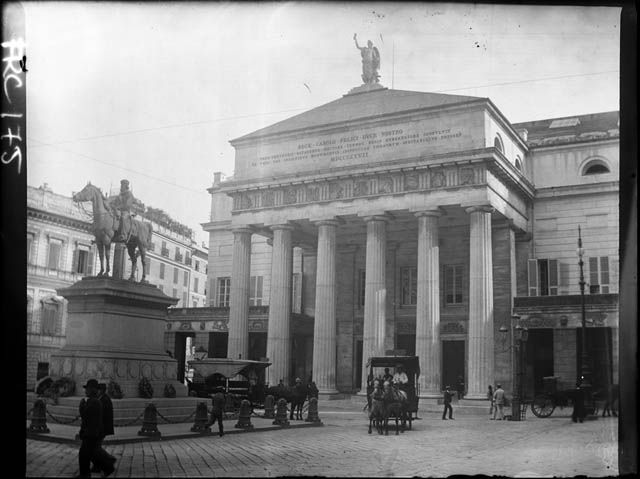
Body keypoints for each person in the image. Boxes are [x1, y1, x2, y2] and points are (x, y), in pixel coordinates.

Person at [78, 379, 114, 478]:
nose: (86, 391)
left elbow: (86, 415)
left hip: (91, 433)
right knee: (92, 453)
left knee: (85, 454)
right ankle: (107, 466)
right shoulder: (94, 401)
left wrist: (81, 407)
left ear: (92, 390)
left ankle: (107, 466)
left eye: (87, 389)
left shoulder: (94, 402)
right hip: (91, 432)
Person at [90, 384, 116, 474]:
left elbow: (101, 415)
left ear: (101, 390)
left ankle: (109, 459)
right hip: (100, 428)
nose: (96, 391)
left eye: (98, 390)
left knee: (94, 447)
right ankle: (97, 466)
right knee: (95, 446)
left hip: (101, 428)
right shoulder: (102, 399)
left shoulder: (104, 400)